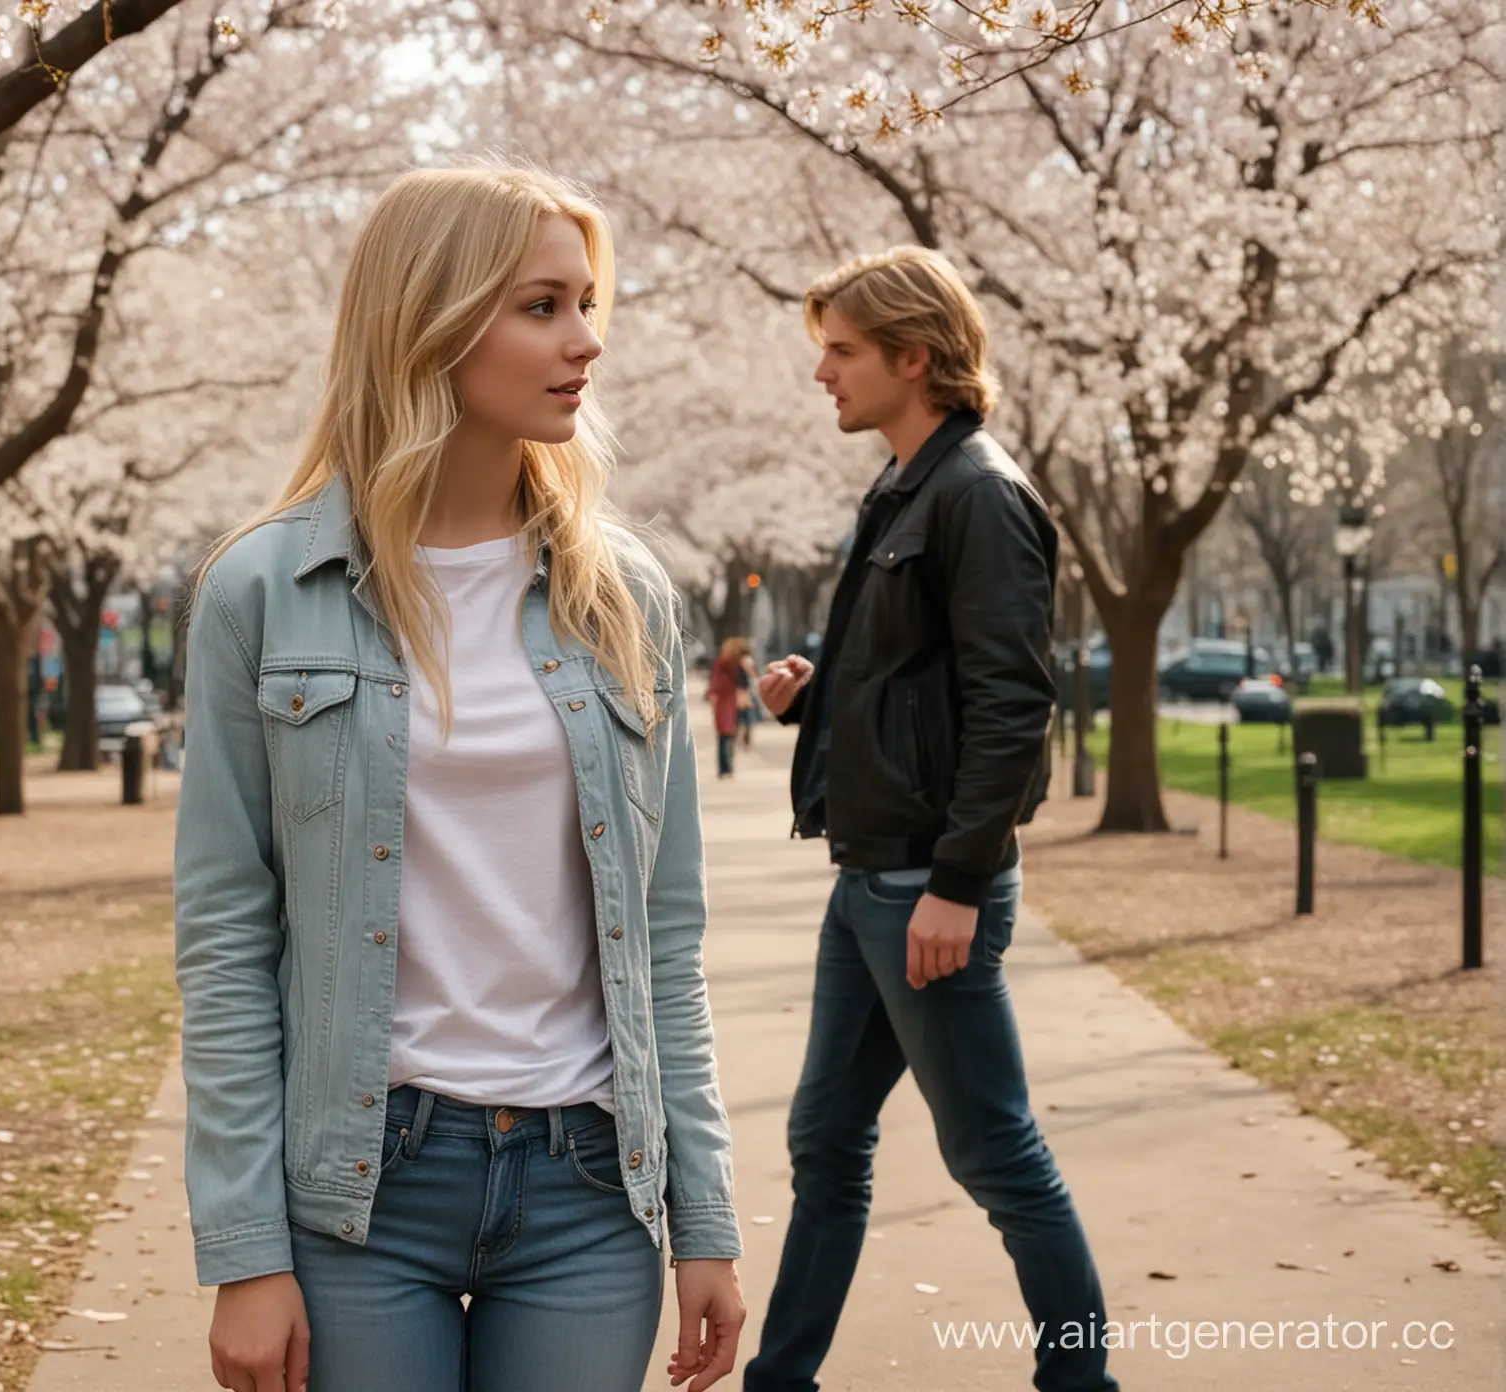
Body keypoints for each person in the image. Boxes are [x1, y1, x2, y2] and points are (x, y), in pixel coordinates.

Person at [174, 165, 746, 1392]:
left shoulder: (626, 597)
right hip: (362, 1188)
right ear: (430, 320)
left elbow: (667, 934)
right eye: (542, 306)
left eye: (588, 303)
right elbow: (227, 936)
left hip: (590, 1186)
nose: (586, 341)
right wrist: (244, 1251)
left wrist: (703, 1219)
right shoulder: (263, 593)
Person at [744, 248, 1117, 1392]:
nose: (822, 372)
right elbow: (928, 677)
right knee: (824, 1145)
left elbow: (1013, 706)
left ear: (915, 357)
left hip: (924, 892)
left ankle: (1081, 1382)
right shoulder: (906, 483)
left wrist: (959, 882)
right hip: (870, 882)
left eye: (844, 351)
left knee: (997, 1156)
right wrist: (826, 686)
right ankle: (782, 1377)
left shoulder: (978, 494)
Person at [706, 637, 748, 778]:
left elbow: (716, 682)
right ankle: (727, 766)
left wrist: (711, 693)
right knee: (730, 735)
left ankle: (724, 767)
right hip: (734, 702)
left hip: (724, 702)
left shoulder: (723, 664)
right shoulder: (738, 664)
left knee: (723, 736)